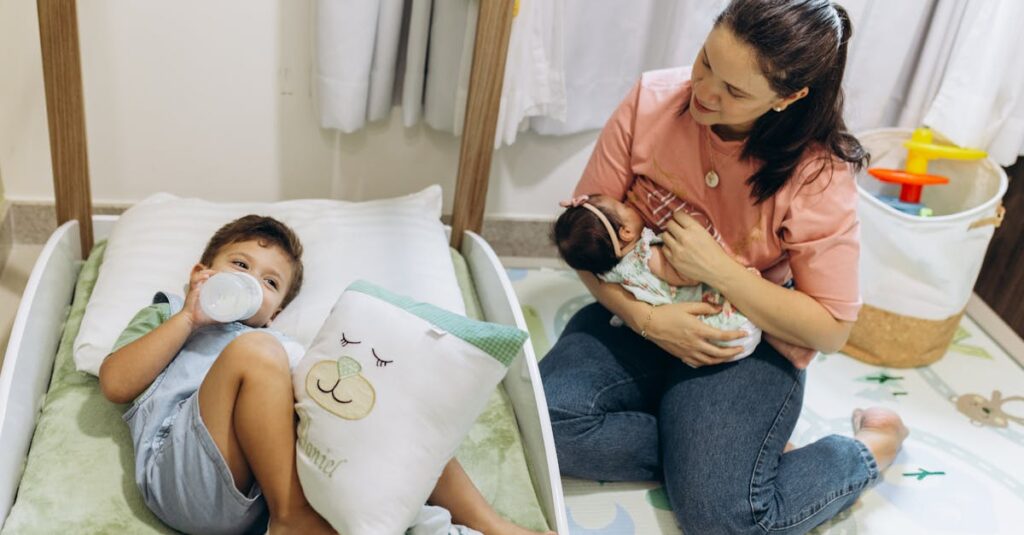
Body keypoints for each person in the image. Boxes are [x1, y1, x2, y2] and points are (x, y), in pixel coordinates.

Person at [539, 1, 909, 534]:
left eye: (735, 91)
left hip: (741, 346)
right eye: (706, 61)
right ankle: (713, 455)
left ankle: (873, 445)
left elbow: (831, 328)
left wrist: (720, 270)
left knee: (724, 522)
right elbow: (587, 239)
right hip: (634, 316)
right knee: (549, 423)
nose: (705, 92)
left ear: (789, 97)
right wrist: (649, 322)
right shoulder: (651, 101)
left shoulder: (817, 173)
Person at [99, 215, 552, 535]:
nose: (252, 282)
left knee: (374, 403)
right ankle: (292, 517)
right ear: (201, 273)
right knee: (255, 352)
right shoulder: (168, 313)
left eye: (270, 283)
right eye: (240, 266)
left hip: (252, 492)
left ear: (275, 313)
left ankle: (490, 525)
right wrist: (190, 319)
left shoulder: (275, 347)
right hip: (179, 475)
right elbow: (116, 383)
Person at [551, 193, 761, 359]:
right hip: (724, 335)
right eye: (624, 206)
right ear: (626, 232)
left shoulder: (608, 273)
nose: (629, 205)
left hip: (685, 343)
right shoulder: (648, 256)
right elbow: (690, 278)